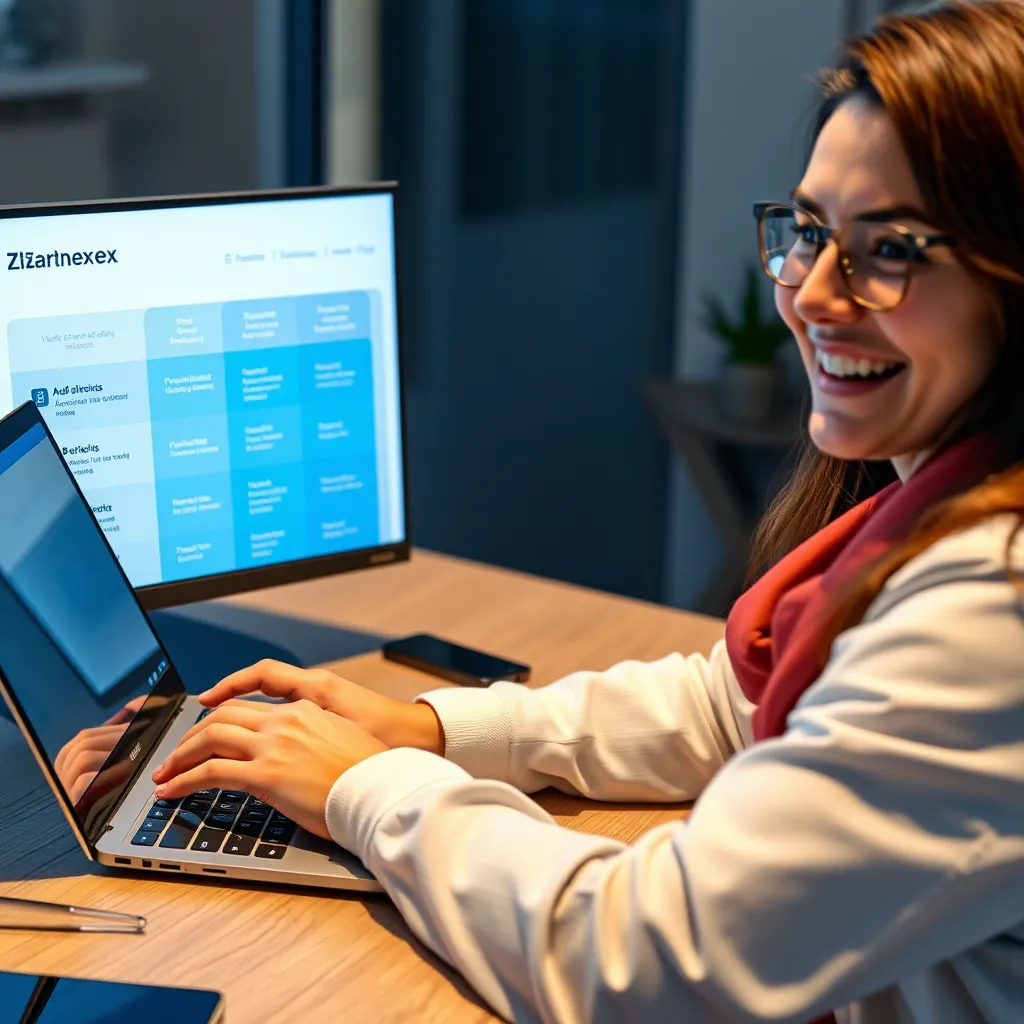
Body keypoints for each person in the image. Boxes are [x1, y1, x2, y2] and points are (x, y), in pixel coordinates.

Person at [149, 3, 1024, 1020]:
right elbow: (730, 708)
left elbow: (642, 962)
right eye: (811, 231)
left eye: (890, 250)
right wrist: (432, 728)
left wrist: (371, 789)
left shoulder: (988, 613)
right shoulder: (945, 499)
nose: (810, 292)